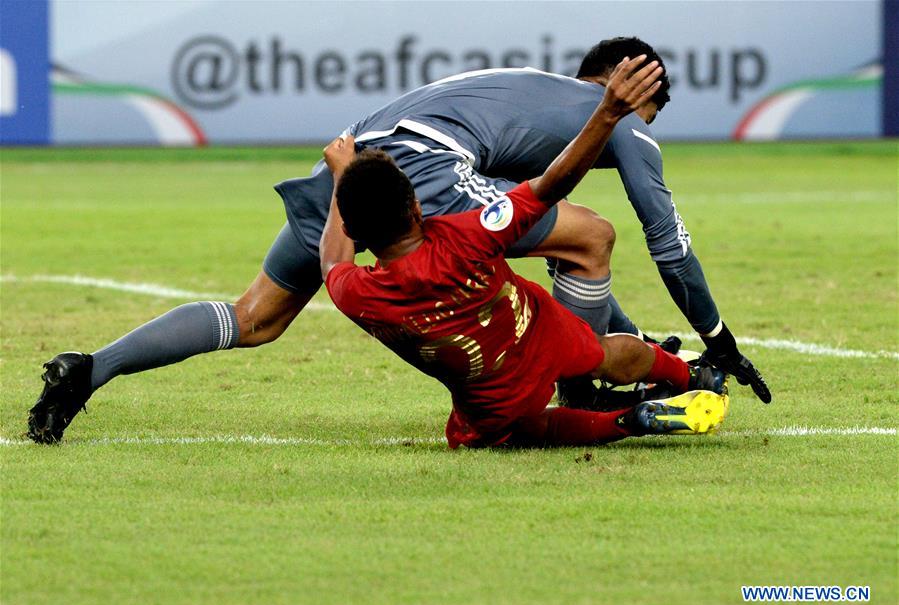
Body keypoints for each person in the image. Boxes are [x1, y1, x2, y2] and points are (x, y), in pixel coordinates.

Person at [27, 38, 767, 444]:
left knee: (255, 318)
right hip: (415, 167)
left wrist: (351, 178)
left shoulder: (524, 86)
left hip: (354, 163)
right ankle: (581, 377)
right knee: (591, 236)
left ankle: (91, 369)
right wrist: (715, 334)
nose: (643, 120)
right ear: (625, 89)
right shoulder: (622, 119)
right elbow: (665, 243)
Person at [319, 57, 728, 448]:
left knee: (533, 427)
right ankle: (688, 375)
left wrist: (341, 175)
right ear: (417, 207)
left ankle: (622, 422)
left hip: (489, 392)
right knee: (602, 351)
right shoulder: (471, 233)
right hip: (542, 332)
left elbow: (333, 262)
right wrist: (606, 114)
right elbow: (550, 185)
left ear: (353, 230)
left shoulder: (358, 293)